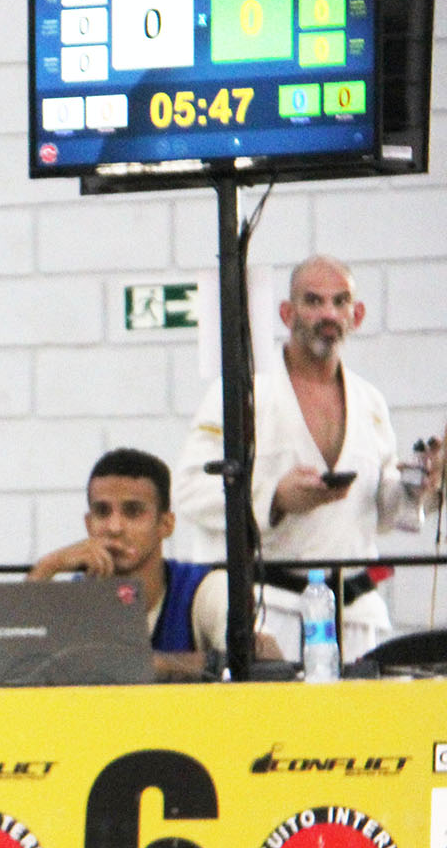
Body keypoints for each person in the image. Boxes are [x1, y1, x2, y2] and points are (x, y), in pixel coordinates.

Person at [172, 254, 442, 660]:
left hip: (355, 612)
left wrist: (422, 485)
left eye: (340, 301)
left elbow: (383, 513)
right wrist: (276, 499)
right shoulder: (243, 392)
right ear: (287, 313)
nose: (328, 313)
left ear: (357, 315)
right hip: (269, 608)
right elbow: (190, 489)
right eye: (313, 301)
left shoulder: (370, 402)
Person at [0, 447, 281, 682]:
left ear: (166, 524)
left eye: (133, 512)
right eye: (102, 512)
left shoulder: (203, 588)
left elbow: (269, 661)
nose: (114, 527)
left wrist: (147, 664)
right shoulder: (73, 596)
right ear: (88, 523)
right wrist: (45, 570)